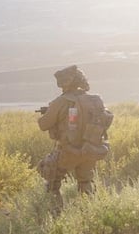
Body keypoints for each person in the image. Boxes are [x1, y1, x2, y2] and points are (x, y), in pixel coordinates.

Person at [37, 65, 102, 211]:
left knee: (50, 176)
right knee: (86, 181)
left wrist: (50, 112)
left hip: (69, 150)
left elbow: (43, 124)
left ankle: (56, 215)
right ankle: (90, 213)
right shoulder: (95, 100)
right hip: (91, 150)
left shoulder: (61, 101)